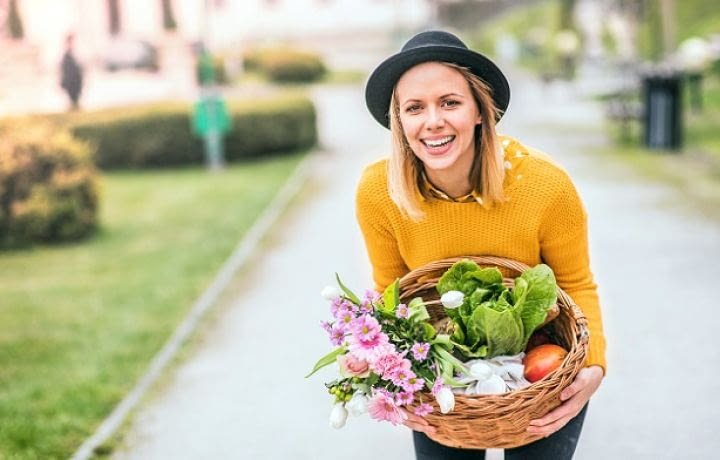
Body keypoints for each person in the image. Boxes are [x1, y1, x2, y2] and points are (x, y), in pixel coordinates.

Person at [356, 30, 606, 460]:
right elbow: (389, 293)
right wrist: (391, 382)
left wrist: (594, 367)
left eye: (449, 102)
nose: (432, 121)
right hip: (442, 371)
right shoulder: (379, 191)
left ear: (479, 111)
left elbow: (576, 283)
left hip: (537, 371)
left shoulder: (544, 185)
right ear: (400, 121)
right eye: (414, 108)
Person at [60, 34, 84, 110]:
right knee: (73, 100)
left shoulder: (74, 54)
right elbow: (66, 71)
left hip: (76, 82)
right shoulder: (66, 56)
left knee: (75, 101)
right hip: (71, 83)